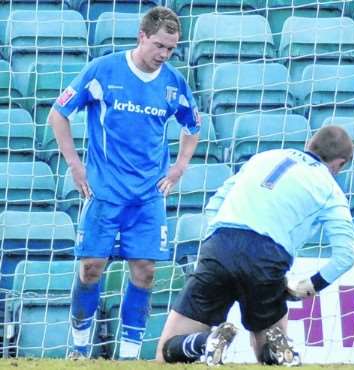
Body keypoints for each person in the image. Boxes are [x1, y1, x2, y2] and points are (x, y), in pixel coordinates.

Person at [47, 6, 200, 360]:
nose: (164, 55)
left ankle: (129, 358)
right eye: (159, 46)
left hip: (148, 196)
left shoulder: (173, 82)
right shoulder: (103, 70)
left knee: (145, 272)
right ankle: (80, 351)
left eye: (171, 50)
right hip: (103, 191)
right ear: (142, 36)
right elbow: (59, 113)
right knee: (90, 269)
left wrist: (179, 167)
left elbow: (193, 125)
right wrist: (74, 164)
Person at [155, 125, 354, 366]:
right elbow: (346, 255)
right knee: (269, 344)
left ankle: (205, 343)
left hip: (221, 245)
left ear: (308, 145)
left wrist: (215, 246)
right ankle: (275, 351)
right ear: (340, 164)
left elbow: (214, 205)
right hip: (268, 258)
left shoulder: (263, 158)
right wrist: (308, 287)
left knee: (167, 350)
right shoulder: (330, 189)